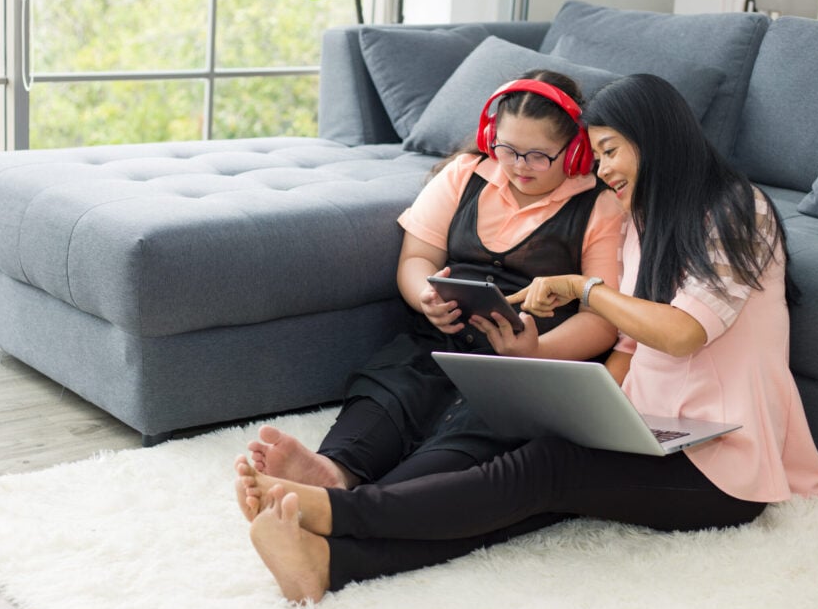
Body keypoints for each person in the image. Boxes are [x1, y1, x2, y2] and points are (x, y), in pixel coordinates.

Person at [234, 73, 818, 604]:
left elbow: (680, 335)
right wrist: (591, 408)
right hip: (655, 430)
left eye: (610, 152)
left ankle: (337, 510)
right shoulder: (644, 223)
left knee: (546, 470)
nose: (602, 171)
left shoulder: (738, 211)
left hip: (722, 466)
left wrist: (584, 288)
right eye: (596, 155)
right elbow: (630, 348)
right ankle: (332, 564)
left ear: (654, 139)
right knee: (525, 492)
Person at [247, 70, 625, 491]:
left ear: (573, 151)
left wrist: (536, 350)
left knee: (476, 426)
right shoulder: (466, 173)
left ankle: (378, 502)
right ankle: (333, 471)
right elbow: (417, 257)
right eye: (507, 149)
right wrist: (423, 294)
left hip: (525, 367)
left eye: (538, 155)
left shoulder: (599, 205)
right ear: (489, 136)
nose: (519, 166)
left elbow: (603, 318)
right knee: (393, 390)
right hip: (439, 343)